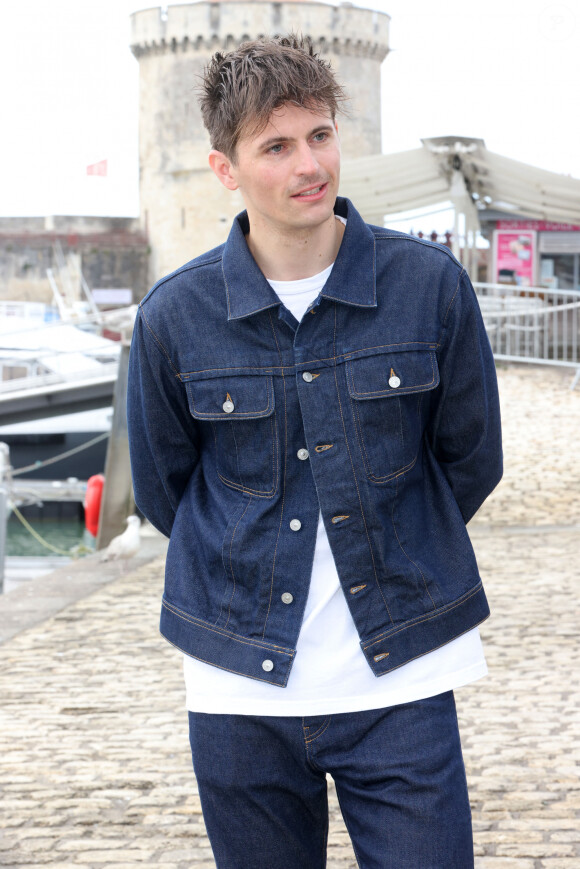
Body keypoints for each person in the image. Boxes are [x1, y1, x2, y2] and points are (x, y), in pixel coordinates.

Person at [127, 34, 502, 869]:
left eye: (321, 135)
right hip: (238, 686)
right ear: (225, 168)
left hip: (401, 674)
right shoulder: (172, 317)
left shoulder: (428, 287)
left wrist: (397, 541)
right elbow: (166, 488)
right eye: (277, 146)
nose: (310, 164)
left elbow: (470, 457)